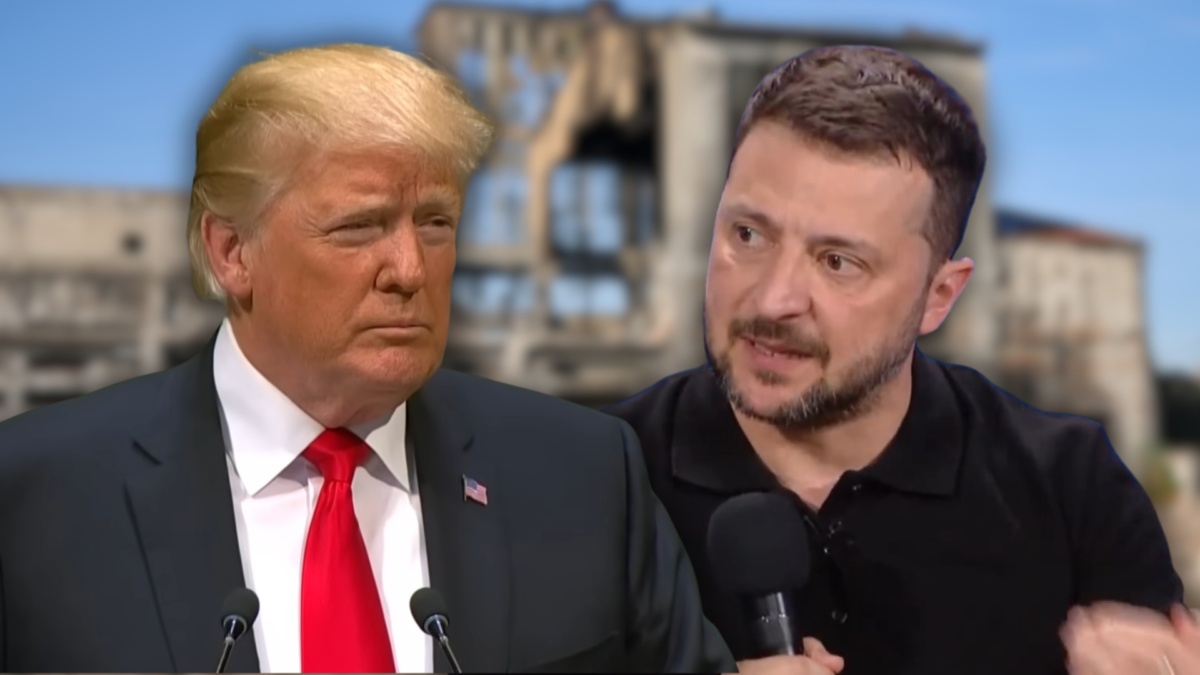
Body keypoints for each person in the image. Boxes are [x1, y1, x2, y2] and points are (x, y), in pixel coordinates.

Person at [0, 43, 734, 674]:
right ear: (232, 252)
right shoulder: (33, 498)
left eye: (436, 222)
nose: (410, 269)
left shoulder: (586, 475)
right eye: (359, 227)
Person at [604, 44, 1187, 675]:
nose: (773, 299)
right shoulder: (594, 480)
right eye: (748, 235)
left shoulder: (1072, 488)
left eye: (838, 262)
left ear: (939, 296)